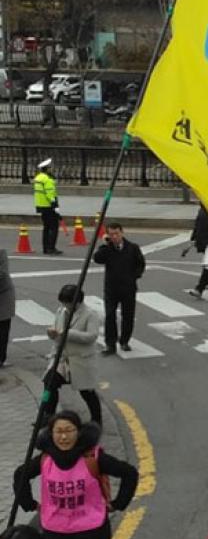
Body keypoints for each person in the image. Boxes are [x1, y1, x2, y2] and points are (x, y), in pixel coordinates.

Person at [44, 285, 102, 427]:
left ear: (77, 302)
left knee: (87, 392)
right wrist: (52, 334)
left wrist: (68, 333)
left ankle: (96, 419)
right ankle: (47, 415)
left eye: (67, 302)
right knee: (49, 384)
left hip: (80, 359)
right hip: (62, 358)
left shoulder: (90, 314)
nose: (65, 305)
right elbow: (57, 331)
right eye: (63, 302)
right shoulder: (61, 311)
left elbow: (91, 336)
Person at [90, 224, 144, 356]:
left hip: (128, 288)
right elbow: (97, 259)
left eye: (117, 234)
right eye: (111, 234)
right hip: (111, 288)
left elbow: (140, 264)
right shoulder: (107, 249)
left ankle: (124, 340)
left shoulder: (133, 248)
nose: (114, 237)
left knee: (128, 316)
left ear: (122, 233)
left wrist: (133, 277)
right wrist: (105, 245)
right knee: (109, 316)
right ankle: (110, 344)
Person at [32, 158, 61, 256]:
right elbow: (50, 194)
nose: (52, 169)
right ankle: (51, 248)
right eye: (50, 168)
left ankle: (45, 248)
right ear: (47, 169)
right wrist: (55, 205)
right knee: (54, 227)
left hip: (41, 205)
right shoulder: (48, 180)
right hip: (49, 206)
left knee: (46, 228)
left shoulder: (38, 178)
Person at [0, 248, 11, 368]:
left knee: (2, 327)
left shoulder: (1, 251)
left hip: (2, 294)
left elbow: (2, 274)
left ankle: (1, 358)